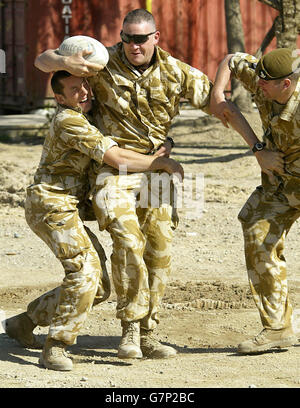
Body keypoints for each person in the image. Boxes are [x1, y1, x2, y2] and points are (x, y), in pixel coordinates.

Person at [34, 8, 262, 360]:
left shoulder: (176, 72)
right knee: (127, 240)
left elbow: (222, 107)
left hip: (156, 173)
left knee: (158, 249)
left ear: (156, 38)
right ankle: (128, 329)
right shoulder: (102, 62)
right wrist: (62, 59)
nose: (133, 45)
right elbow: (43, 61)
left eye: (141, 39)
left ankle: (147, 332)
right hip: (115, 169)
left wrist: (257, 148)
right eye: (127, 38)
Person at [5, 70, 183, 371]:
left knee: (99, 285)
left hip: (69, 206)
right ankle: (56, 346)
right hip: (50, 205)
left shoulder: (86, 117)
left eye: (85, 84)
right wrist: (161, 162)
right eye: (75, 89)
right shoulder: (68, 121)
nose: (85, 91)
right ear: (59, 98)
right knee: (85, 271)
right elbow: (115, 159)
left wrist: (160, 146)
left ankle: (24, 322)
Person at [210, 47, 300, 354]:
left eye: (266, 82)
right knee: (256, 230)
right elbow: (232, 59)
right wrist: (218, 94)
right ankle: (278, 328)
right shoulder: (265, 76)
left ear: (286, 84)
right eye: (257, 77)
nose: (257, 84)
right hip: (282, 184)